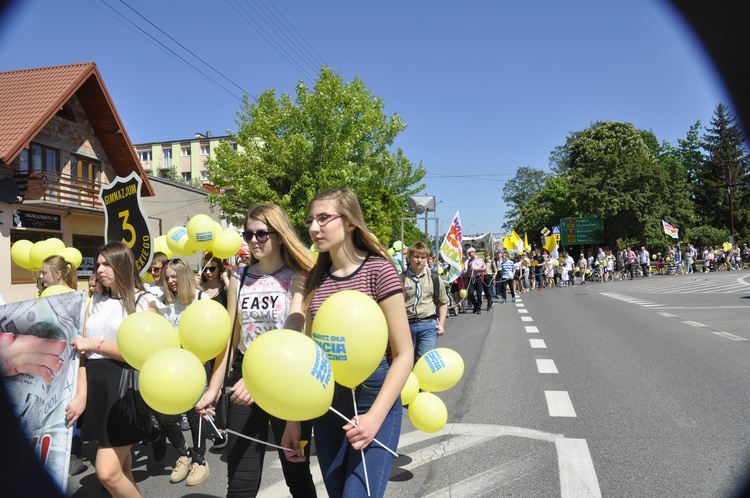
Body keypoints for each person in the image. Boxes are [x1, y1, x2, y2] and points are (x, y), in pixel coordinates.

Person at [292, 188, 413, 498]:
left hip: (375, 396)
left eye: (323, 218)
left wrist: (374, 418)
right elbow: (308, 355)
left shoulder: (379, 270)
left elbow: (404, 353)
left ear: (348, 223)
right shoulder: (312, 279)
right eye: (311, 220)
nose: (313, 228)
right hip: (328, 400)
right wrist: (294, 422)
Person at [196, 203, 317, 498]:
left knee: (297, 477)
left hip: (287, 379)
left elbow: (293, 332)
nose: (253, 241)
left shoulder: (299, 275)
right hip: (243, 380)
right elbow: (229, 336)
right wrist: (212, 388)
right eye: (248, 234)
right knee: (240, 483)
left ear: (280, 234)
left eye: (261, 234)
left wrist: (261, 379)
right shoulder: (240, 276)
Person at [67, 241, 157, 498]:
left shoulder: (143, 301)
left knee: (106, 472)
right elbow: (82, 353)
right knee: (121, 468)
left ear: (122, 264)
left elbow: (144, 352)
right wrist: (81, 394)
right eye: (98, 264)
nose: (100, 269)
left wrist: (97, 343)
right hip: (97, 386)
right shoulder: (95, 300)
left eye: (107, 263)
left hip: (124, 386)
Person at [150, 258, 213, 486]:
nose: (170, 281)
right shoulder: (164, 301)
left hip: (195, 364)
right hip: (169, 365)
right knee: (162, 413)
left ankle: (200, 460)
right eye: (167, 277)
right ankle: (183, 453)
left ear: (185, 276)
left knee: (195, 413)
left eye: (174, 276)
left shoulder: (201, 299)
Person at [401, 241, 449, 362]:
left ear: (427, 259)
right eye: (416, 257)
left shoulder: (434, 277)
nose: (420, 260)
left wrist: (441, 325)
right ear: (409, 257)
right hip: (406, 326)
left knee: (424, 362)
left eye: (423, 257)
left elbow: (443, 302)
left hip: (428, 324)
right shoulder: (400, 279)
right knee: (404, 362)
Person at [465, 247, 486, 314]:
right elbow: (468, 270)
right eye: (468, 253)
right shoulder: (470, 261)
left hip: (478, 277)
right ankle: (475, 305)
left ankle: (478, 308)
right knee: (470, 293)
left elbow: (484, 268)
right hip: (471, 278)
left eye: (470, 253)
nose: (469, 255)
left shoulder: (480, 259)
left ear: (473, 252)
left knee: (479, 293)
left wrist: (478, 269)